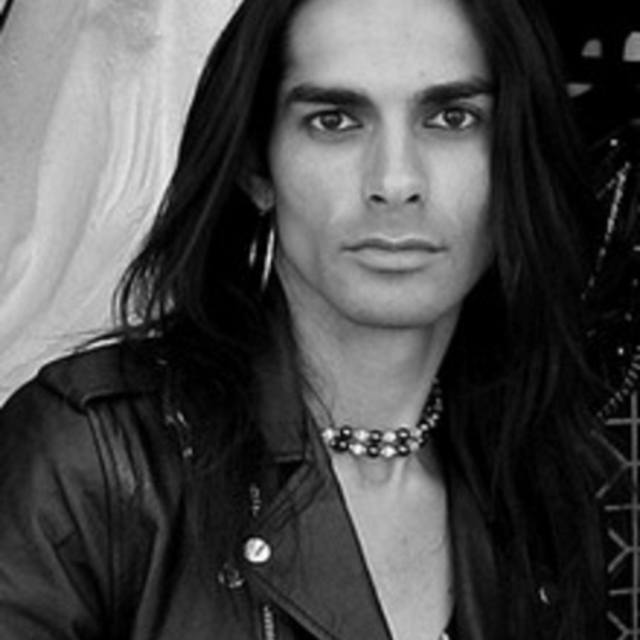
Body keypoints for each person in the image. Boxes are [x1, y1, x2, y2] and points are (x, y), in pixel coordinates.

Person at [0, 0, 613, 638]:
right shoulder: (91, 461)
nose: (395, 181)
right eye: (334, 120)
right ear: (257, 166)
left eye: (451, 118)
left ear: (518, 158)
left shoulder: (541, 491)